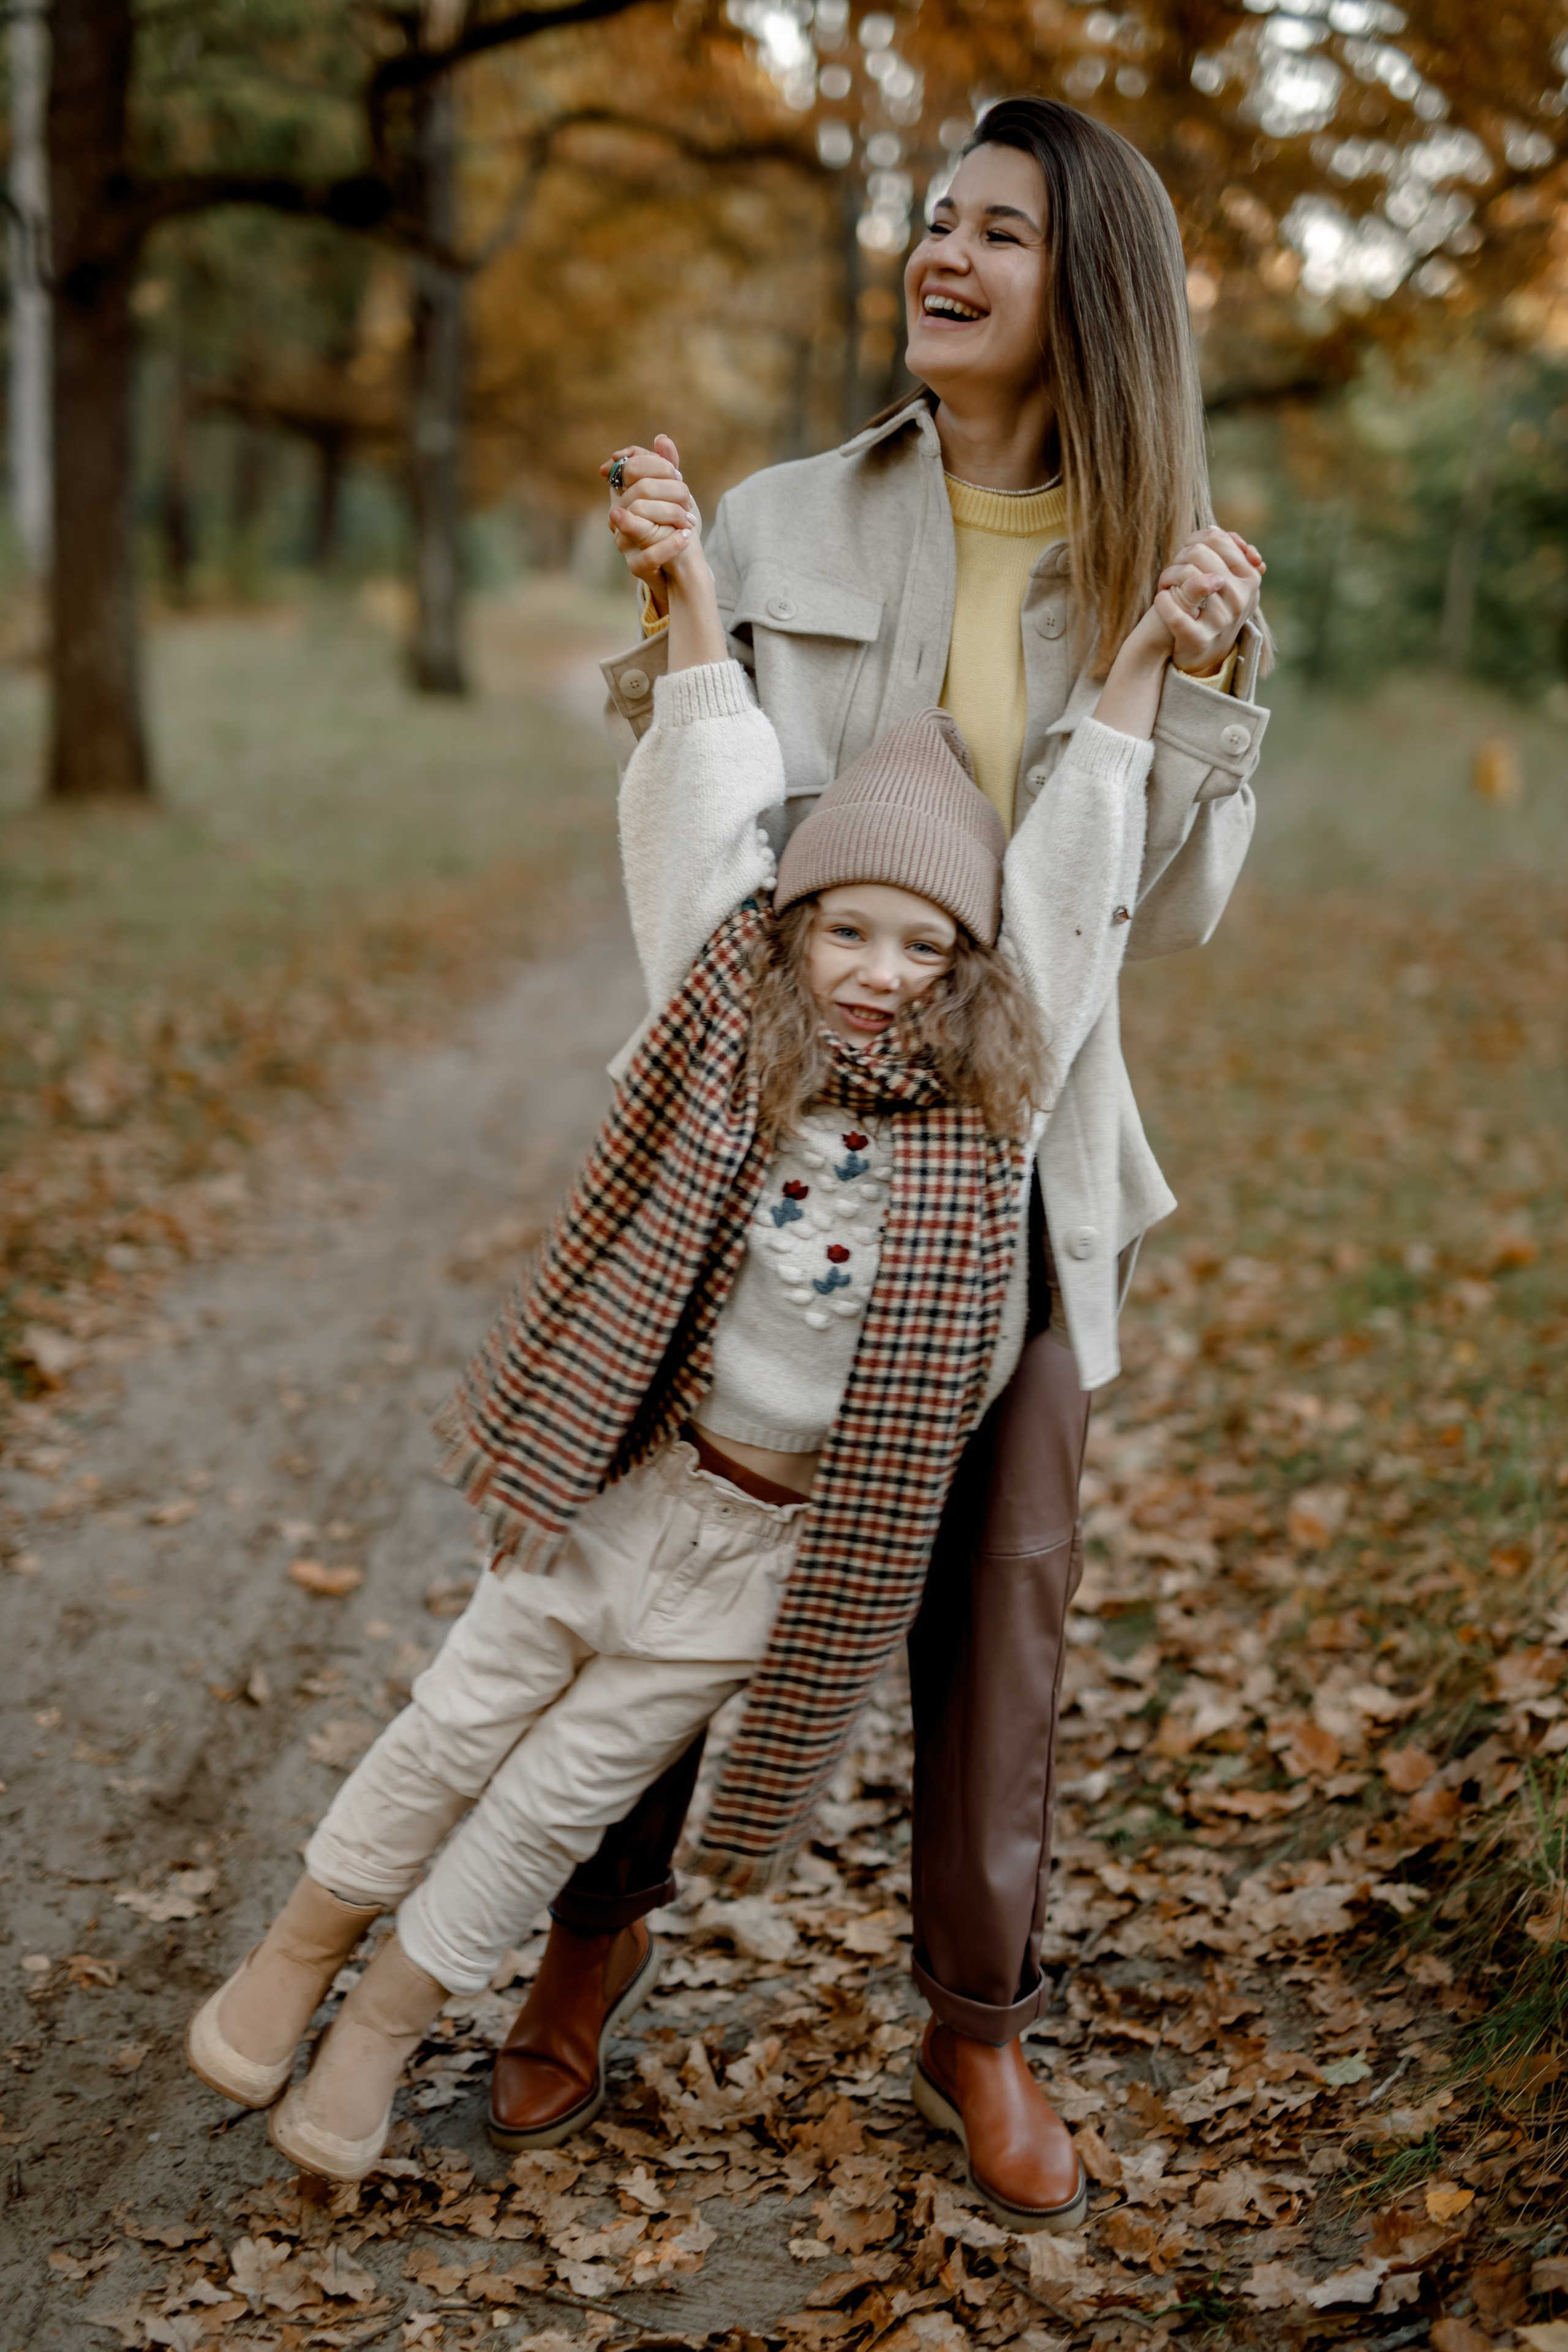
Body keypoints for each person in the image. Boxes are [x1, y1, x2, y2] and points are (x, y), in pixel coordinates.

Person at [182, 492, 1191, 2219]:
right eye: (847, 930)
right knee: (456, 1725)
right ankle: (301, 1949)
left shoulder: (991, 1108)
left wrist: (1143, 672)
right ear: (792, 927)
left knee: (553, 1804)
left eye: (924, 946)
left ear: (970, 971)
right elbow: (711, 790)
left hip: (769, 1561)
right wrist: (692, 598)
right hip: (628, 1492)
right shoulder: (733, 1022)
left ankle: (391, 2026)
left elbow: (1082, 866)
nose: (880, 973)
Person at [490, 96, 1269, 2222]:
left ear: (1082, 284)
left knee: (999, 1595)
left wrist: (1196, 695)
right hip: (763, 1138)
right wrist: (671, 609)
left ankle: (974, 2023)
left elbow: (1172, 918)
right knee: (669, 1530)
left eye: (999, 232)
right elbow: (698, 808)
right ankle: (594, 1930)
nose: (944, 255)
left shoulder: (1156, 566)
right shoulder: (781, 520)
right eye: (936, 221)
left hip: (1016, 1161)